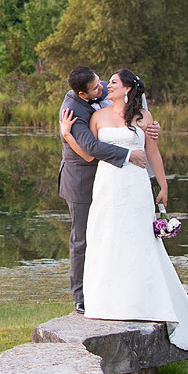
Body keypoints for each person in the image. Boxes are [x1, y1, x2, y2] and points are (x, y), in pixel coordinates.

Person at [60, 68, 188, 352]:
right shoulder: (94, 115)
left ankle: (144, 298)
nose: (107, 86)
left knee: (138, 239)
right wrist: (66, 134)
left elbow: (153, 151)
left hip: (135, 185)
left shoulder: (142, 117)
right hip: (107, 185)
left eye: (113, 83)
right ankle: (100, 299)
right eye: (104, 84)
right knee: (104, 237)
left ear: (128, 88)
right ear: (84, 92)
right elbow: (89, 150)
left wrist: (163, 184)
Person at [57, 66, 156, 315]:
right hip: (81, 178)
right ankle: (81, 297)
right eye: (95, 89)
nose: (101, 88)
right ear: (82, 93)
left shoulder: (99, 85)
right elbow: (91, 147)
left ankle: (118, 288)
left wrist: (149, 125)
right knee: (82, 239)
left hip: (110, 178)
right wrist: (128, 155)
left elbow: (136, 92)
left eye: (101, 84)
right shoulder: (72, 110)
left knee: (113, 233)